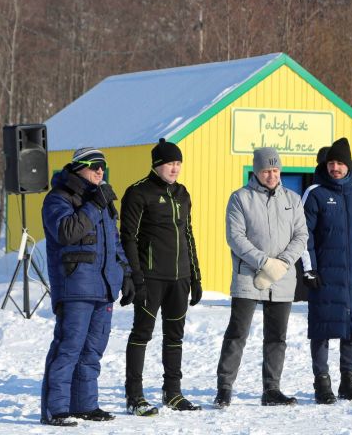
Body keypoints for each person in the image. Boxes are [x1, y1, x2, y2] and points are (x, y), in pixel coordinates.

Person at [40, 148, 135, 427]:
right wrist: (94, 206)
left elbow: (114, 242)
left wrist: (126, 274)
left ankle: (85, 405)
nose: (100, 171)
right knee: (68, 348)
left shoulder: (101, 200)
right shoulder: (58, 198)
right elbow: (67, 232)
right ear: (78, 168)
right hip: (75, 287)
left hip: (103, 287)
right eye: (94, 166)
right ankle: (55, 409)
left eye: (103, 167)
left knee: (93, 350)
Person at [213, 147, 310, 409]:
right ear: (256, 171)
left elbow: (301, 235)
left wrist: (283, 262)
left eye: (276, 170)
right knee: (237, 333)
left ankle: (271, 389)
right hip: (249, 276)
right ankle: (224, 387)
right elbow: (236, 238)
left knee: (277, 337)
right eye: (267, 170)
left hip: (283, 278)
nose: (272, 175)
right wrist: (265, 262)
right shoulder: (240, 199)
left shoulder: (293, 199)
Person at [120, 138, 203, 415]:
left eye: (178, 163)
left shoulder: (182, 193)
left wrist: (196, 276)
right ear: (157, 165)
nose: (175, 168)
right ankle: (135, 396)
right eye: (170, 163)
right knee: (142, 333)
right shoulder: (138, 193)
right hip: (151, 278)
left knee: (175, 336)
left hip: (179, 278)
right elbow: (128, 238)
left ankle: (173, 392)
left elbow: (188, 235)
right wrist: (136, 277)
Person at [302, 137, 352, 404]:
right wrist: (309, 269)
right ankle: (322, 384)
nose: (335, 168)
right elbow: (304, 234)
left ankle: (349, 382)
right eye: (331, 163)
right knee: (322, 328)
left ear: (348, 165)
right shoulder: (315, 193)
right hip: (324, 275)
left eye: (340, 163)